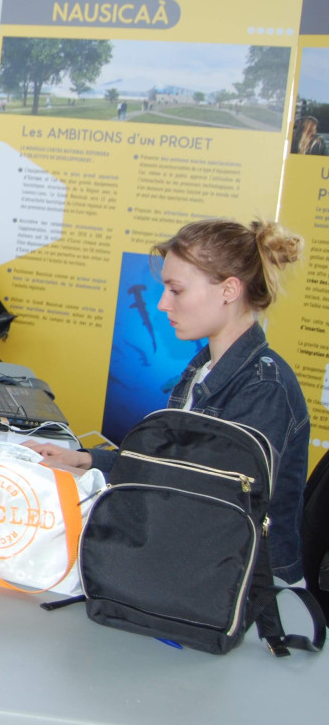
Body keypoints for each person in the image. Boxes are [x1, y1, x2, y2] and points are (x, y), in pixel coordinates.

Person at [28, 218, 309, 583]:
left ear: (229, 289)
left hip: (247, 588)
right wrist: (83, 459)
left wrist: (96, 483)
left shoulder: (264, 389)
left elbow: (207, 507)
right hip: (198, 567)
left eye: (176, 290)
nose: (162, 304)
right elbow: (167, 463)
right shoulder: (202, 369)